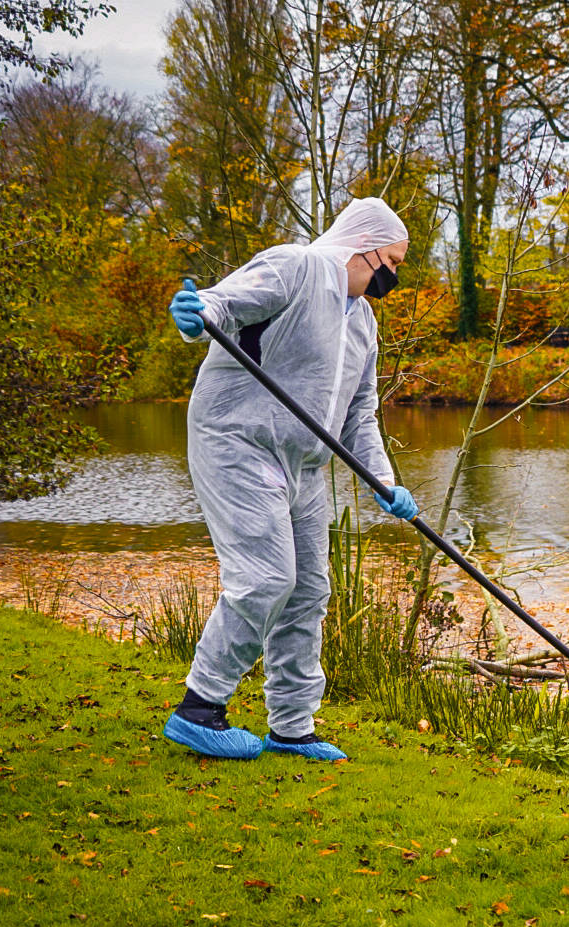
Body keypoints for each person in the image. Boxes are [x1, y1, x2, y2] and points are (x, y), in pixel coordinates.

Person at [161, 197, 419, 762]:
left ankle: (292, 726)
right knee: (266, 578)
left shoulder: (364, 324)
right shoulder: (295, 267)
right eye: (392, 262)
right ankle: (199, 708)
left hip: (304, 466)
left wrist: (383, 481)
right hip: (238, 443)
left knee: (307, 593)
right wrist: (195, 313)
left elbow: (359, 414)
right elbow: (222, 306)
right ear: (364, 247)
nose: (393, 277)